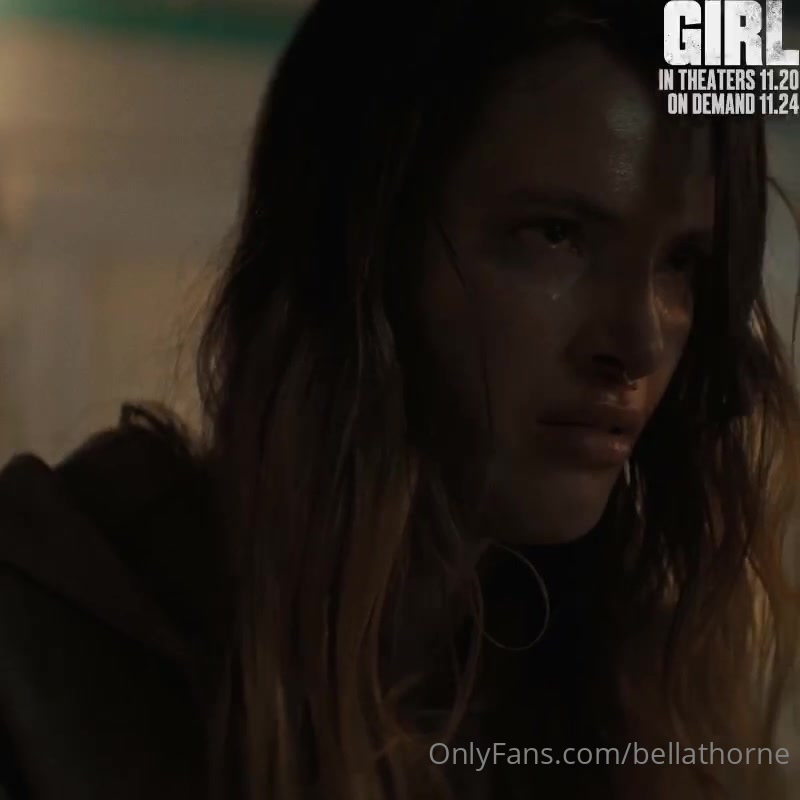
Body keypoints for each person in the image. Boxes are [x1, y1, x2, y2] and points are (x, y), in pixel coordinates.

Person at [1, 1, 799, 798]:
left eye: (681, 262)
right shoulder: (48, 656)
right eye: (556, 235)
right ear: (365, 248)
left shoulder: (610, 697)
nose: (639, 343)